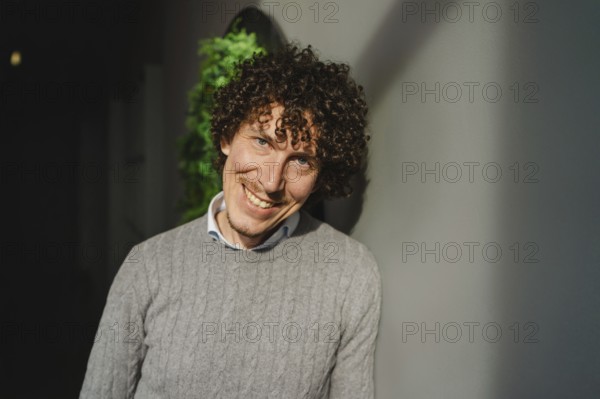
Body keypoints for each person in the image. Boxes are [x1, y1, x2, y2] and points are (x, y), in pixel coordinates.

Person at [80, 45, 381, 398]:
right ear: (226, 137)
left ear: (321, 176)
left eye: (300, 160)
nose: (271, 182)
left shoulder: (350, 273)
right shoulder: (148, 266)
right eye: (262, 141)